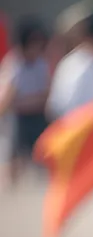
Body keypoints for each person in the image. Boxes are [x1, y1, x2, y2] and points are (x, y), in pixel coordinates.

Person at [0, 16, 50, 189]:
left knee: (43, 152)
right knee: (14, 153)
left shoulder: (41, 64)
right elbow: (7, 96)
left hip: (37, 115)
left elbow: (45, 93)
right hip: (18, 117)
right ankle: (13, 187)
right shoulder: (13, 64)